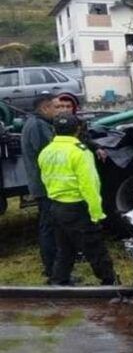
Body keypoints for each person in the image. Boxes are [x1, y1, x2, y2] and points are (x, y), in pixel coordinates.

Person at [39, 114, 117, 286]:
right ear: (78, 130)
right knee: (95, 249)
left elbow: (45, 178)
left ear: (54, 130)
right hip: (77, 207)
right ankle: (110, 284)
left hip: (56, 206)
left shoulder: (46, 151)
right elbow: (89, 186)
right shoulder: (80, 152)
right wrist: (96, 214)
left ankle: (59, 282)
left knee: (65, 248)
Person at [20, 94, 60, 278]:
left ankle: (53, 268)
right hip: (45, 186)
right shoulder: (38, 126)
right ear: (45, 108)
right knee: (49, 228)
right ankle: (53, 271)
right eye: (56, 107)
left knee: (50, 227)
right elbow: (49, 155)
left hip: (44, 184)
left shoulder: (35, 123)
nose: (58, 111)